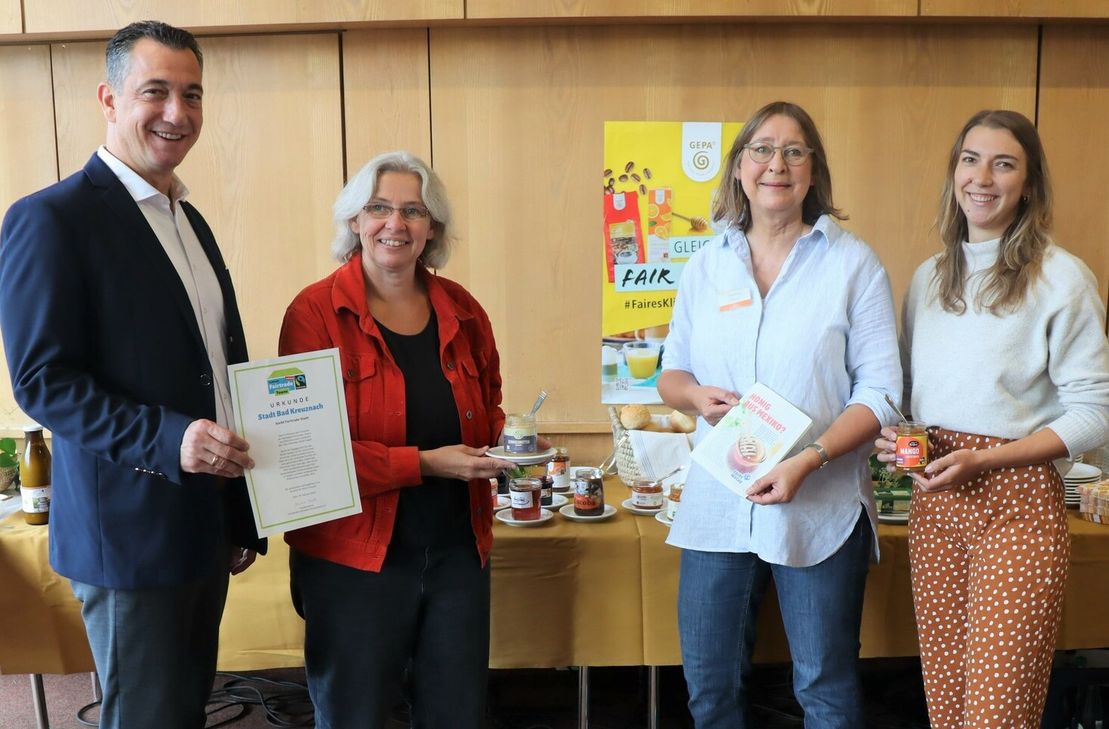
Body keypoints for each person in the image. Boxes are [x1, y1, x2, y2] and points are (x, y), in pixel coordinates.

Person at [0, 20, 265, 729]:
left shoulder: (190, 220)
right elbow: (43, 379)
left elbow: (216, 368)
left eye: (192, 94)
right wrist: (169, 441)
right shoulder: (52, 220)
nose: (177, 113)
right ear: (110, 100)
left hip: (202, 520)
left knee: (183, 710)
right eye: (156, 92)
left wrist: (237, 510)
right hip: (129, 533)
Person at [658, 101, 901, 728]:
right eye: (762, 149)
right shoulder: (706, 265)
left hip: (819, 501)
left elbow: (880, 393)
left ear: (813, 171)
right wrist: (694, 397)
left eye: (794, 151)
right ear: (740, 168)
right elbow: (671, 372)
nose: (777, 164)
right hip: (718, 501)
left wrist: (809, 460)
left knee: (825, 689)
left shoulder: (854, 264)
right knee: (710, 689)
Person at [875, 110, 1109, 729]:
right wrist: (893, 440)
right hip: (936, 508)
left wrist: (986, 458)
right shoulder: (928, 279)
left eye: (1004, 163)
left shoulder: (1062, 279)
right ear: (954, 172)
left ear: (1028, 184)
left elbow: (1096, 413)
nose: (982, 177)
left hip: (1018, 505)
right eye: (970, 160)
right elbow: (908, 402)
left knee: (998, 712)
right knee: (946, 707)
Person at [278, 150, 512, 729]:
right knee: (354, 714)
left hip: (458, 549)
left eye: (414, 210)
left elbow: (492, 408)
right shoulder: (313, 314)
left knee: (456, 714)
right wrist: (428, 464)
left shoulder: (464, 310)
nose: (396, 223)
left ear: (432, 227)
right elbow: (308, 453)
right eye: (379, 207)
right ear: (355, 220)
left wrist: (503, 453)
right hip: (351, 556)